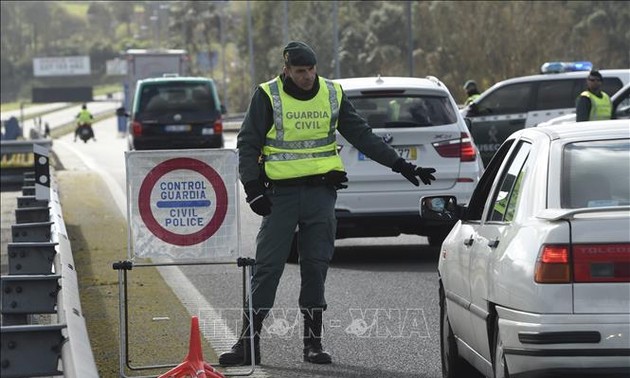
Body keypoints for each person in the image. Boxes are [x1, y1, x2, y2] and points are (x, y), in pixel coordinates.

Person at [219, 41, 436, 367]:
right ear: (287, 70)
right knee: (267, 268)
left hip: (321, 195)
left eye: (311, 70)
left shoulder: (332, 94)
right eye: (300, 71)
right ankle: (247, 343)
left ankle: (313, 345)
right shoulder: (267, 96)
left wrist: (402, 165)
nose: (307, 77)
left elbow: (362, 135)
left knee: (316, 267)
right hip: (280, 197)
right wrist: (252, 188)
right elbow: (248, 143)